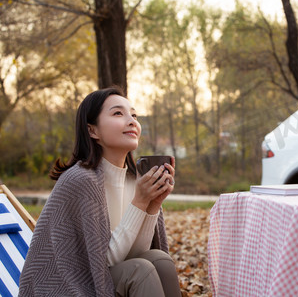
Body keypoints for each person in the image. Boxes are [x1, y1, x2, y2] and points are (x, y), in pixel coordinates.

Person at [19, 87, 181, 297]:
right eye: (118, 113)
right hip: (70, 286)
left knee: (160, 260)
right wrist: (140, 202)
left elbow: (135, 254)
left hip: (111, 277)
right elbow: (99, 265)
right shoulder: (80, 180)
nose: (132, 121)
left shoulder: (135, 178)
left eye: (134, 115)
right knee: (141, 270)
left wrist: (153, 204)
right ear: (92, 131)